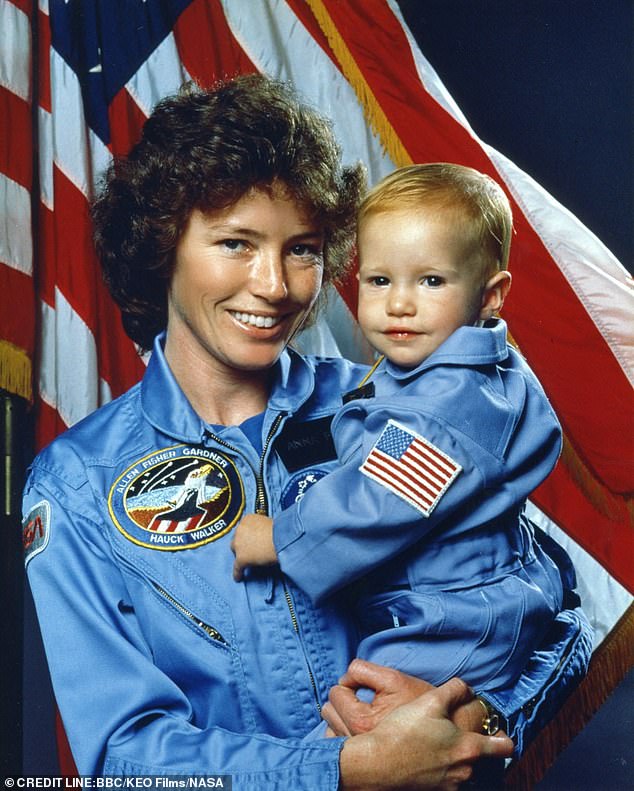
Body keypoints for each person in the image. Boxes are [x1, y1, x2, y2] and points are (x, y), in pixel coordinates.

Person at [21, 75, 588, 787]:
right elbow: (123, 758)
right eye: (236, 242)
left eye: (303, 248)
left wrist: (478, 719)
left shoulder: (402, 409)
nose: (275, 285)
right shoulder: (78, 484)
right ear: (162, 243)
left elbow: (556, 612)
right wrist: (342, 770)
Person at [232, 161, 589, 714]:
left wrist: (280, 537)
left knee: (370, 736)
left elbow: (383, 500)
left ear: (491, 295)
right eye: (380, 281)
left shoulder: (446, 406)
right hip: (461, 600)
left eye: (431, 281)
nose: (399, 303)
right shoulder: (458, 375)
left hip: (454, 619)